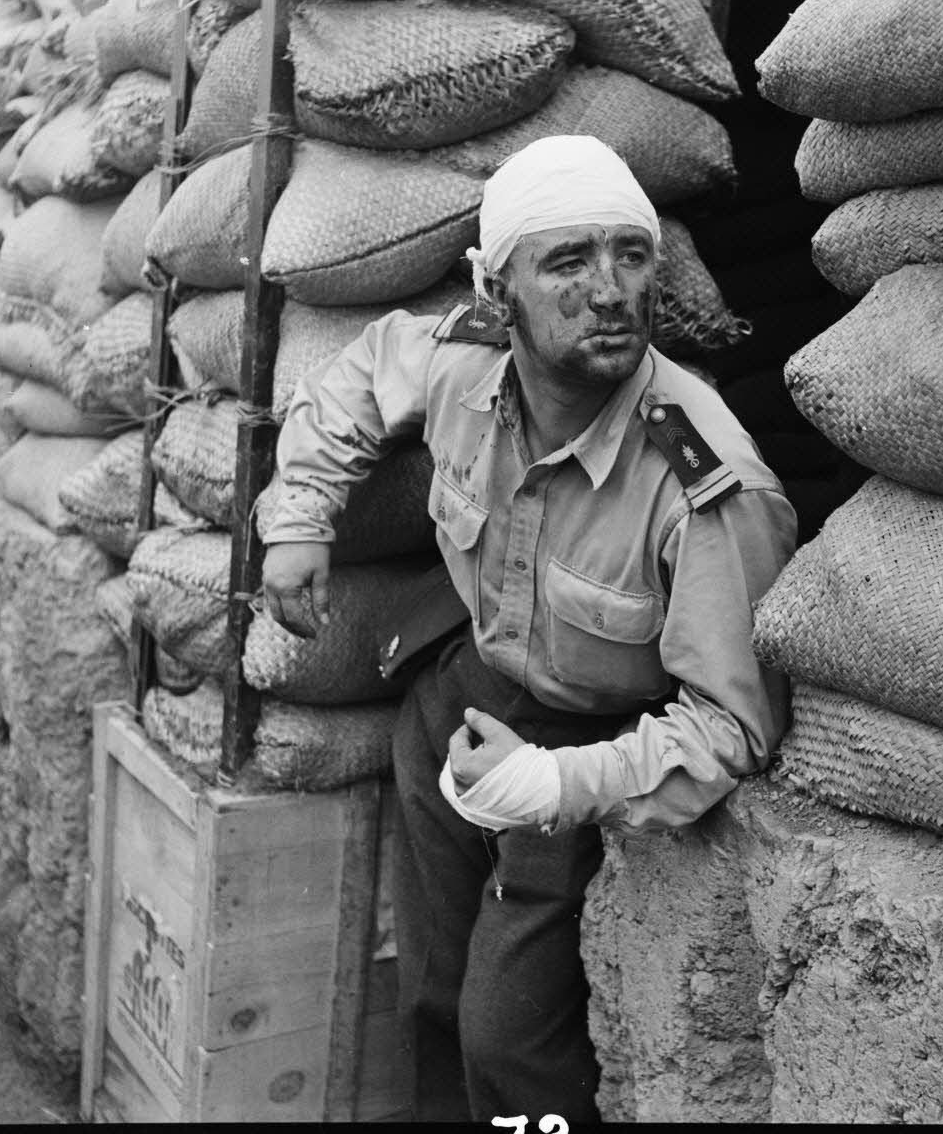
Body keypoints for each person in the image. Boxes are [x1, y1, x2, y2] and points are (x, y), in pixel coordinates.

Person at [260, 135, 797, 1124]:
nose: (610, 291)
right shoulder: (466, 361)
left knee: (506, 1035)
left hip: (590, 745)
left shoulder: (703, 484)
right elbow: (362, 370)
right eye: (567, 261)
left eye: (630, 255)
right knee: (424, 980)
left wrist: (551, 783)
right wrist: (298, 520)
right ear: (494, 289)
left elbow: (735, 727)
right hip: (458, 700)